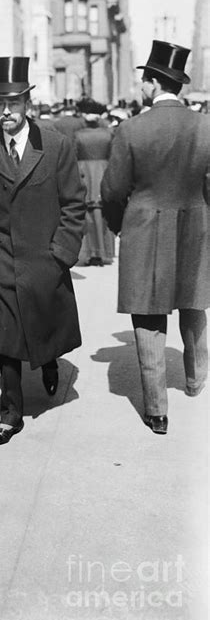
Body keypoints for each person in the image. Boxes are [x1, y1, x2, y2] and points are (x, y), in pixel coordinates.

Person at [0, 56, 86, 446]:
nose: (6, 112)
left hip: (45, 258)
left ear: (26, 104)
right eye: (0, 104)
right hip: (4, 257)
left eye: (13, 103)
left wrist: (61, 254)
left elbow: (74, 204)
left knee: (44, 324)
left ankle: (50, 359)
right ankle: (11, 412)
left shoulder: (55, 146)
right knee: (6, 335)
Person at [101, 40, 210, 435]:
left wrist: (119, 225)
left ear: (151, 82)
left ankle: (157, 410)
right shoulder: (205, 126)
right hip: (195, 225)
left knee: (148, 315)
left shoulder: (131, 129)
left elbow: (112, 191)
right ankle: (197, 380)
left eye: (143, 80)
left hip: (145, 229)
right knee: (194, 303)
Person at [74, 98, 115, 266]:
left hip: (84, 173)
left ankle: (90, 253)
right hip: (103, 172)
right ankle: (105, 252)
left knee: (87, 214)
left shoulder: (78, 135)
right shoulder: (108, 134)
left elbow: (73, 156)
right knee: (103, 214)